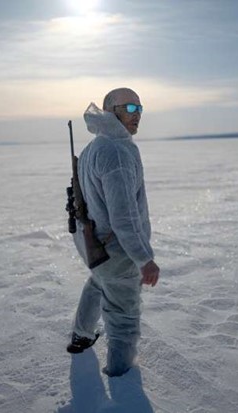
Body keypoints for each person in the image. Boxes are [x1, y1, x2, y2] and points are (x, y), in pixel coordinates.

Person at [67, 87, 160, 377]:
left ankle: (81, 335)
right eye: (130, 108)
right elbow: (124, 217)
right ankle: (121, 378)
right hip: (117, 251)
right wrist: (144, 258)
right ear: (111, 111)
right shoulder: (116, 152)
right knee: (124, 318)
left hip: (96, 247)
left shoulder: (95, 147)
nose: (137, 115)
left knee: (98, 282)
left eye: (140, 109)